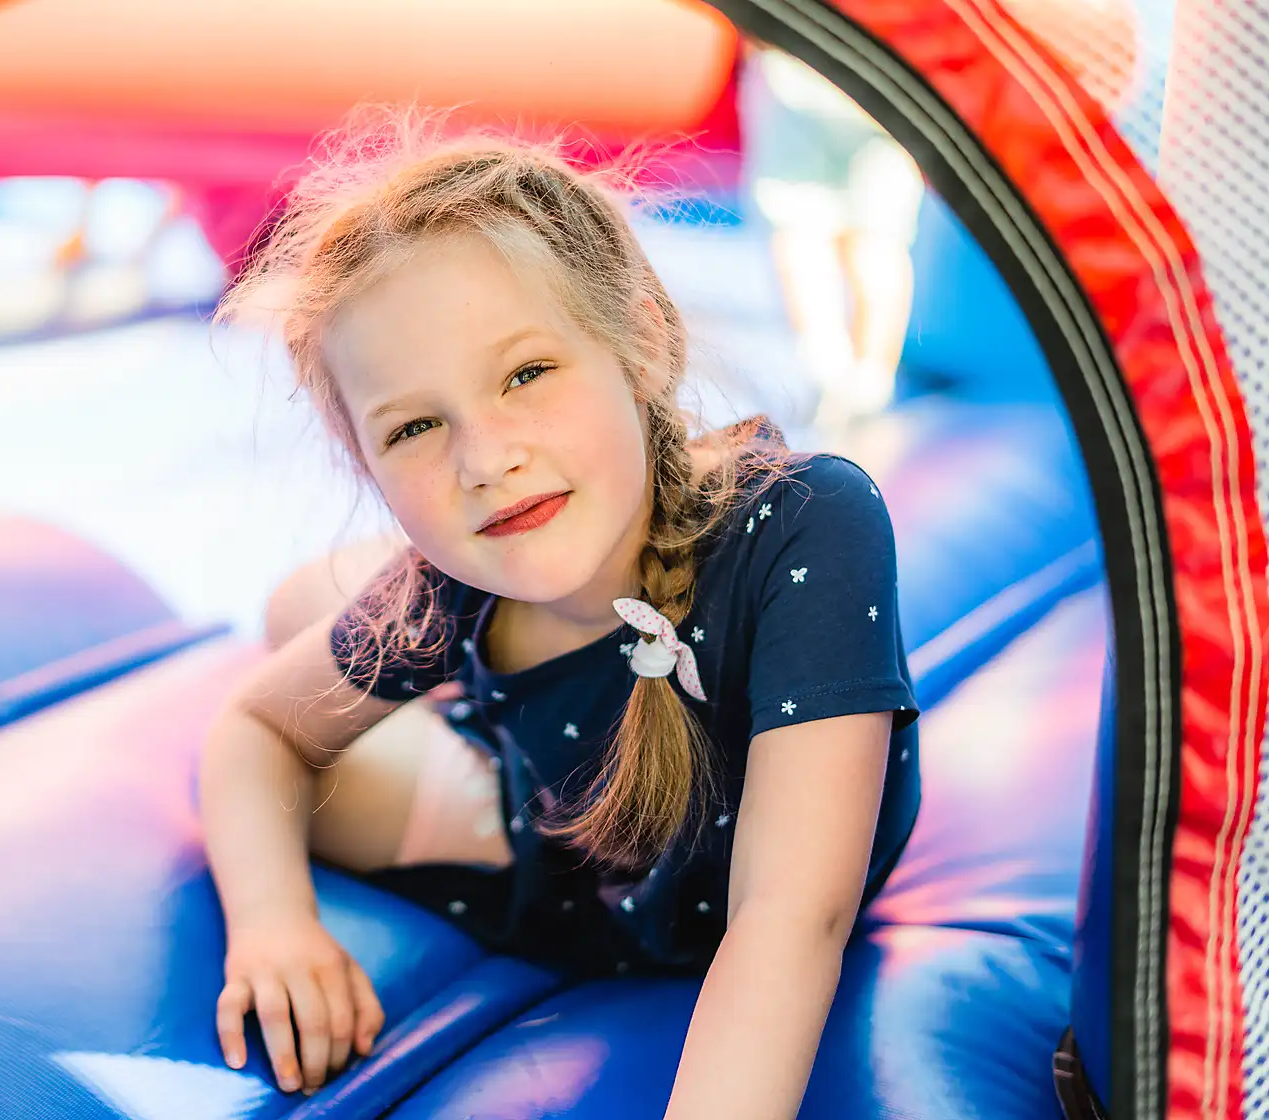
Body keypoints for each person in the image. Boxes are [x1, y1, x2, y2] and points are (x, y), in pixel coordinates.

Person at [199, 109, 921, 1117]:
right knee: (299, 620)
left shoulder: (806, 523)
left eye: (526, 373)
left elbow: (791, 916)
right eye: (413, 426)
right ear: (364, 464)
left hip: (686, 868)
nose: (486, 459)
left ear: (643, 342)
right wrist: (273, 925)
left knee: (321, 618)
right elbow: (253, 732)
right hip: (547, 853)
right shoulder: (454, 581)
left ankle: (371, 637)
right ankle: (372, 640)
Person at [741, 46, 926, 432]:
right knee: (876, 239)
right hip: (885, 81)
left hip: (805, 75)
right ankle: (867, 379)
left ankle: (832, 371)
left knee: (802, 229)